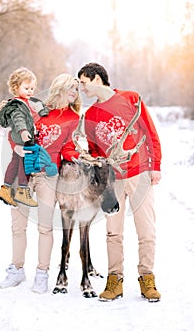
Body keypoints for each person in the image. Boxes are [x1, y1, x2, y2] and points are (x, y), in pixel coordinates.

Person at [78, 62, 162, 302]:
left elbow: (150, 133)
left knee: (146, 229)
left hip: (139, 173)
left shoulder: (130, 98)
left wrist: (155, 166)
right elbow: (94, 150)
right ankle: (115, 280)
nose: (82, 88)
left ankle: (147, 278)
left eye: (84, 82)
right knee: (113, 232)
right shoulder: (90, 114)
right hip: (112, 179)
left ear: (96, 79)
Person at [0, 73, 81, 293]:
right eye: (71, 87)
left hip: (48, 176)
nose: (75, 92)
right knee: (18, 226)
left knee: (45, 227)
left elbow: (67, 148)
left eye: (77, 89)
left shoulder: (73, 118)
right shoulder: (36, 108)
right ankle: (16, 269)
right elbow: (15, 131)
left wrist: (80, 156)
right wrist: (15, 147)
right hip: (22, 172)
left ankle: (42, 273)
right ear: (60, 88)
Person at [0, 67, 49, 207]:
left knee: (15, 162)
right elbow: (18, 119)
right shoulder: (17, 105)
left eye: (32, 88)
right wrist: (23, 131)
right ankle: (22, 190)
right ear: (16, 87)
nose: (30, 91)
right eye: (27, 88)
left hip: (21, 138)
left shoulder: (24, 102)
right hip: (22, 138)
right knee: (24, 164)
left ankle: (5, 188)